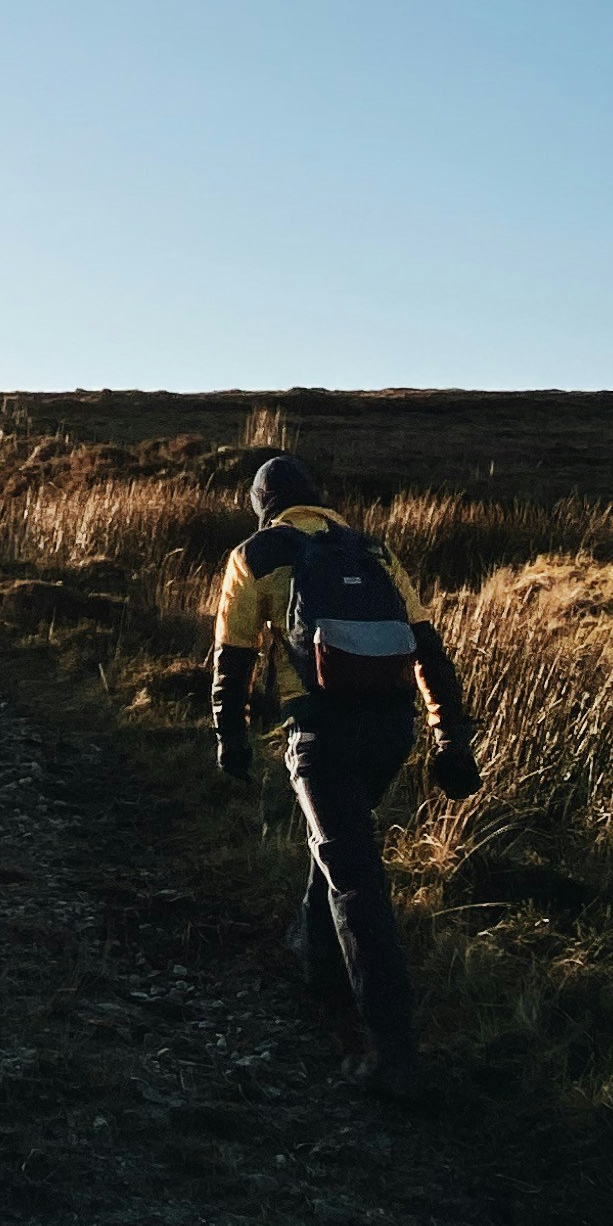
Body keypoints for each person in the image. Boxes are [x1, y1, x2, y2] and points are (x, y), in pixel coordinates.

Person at [210, 451, 480, 1098]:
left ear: (262, 504)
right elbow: (429, 650)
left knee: (354, 879)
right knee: (340, 846)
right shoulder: (375, 552)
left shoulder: (255, 553)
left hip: (319, 732)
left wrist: (231, 737)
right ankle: (315, 961)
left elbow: (234, 655)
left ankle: (393, 1052)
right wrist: (451, 737)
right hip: (391, 730)